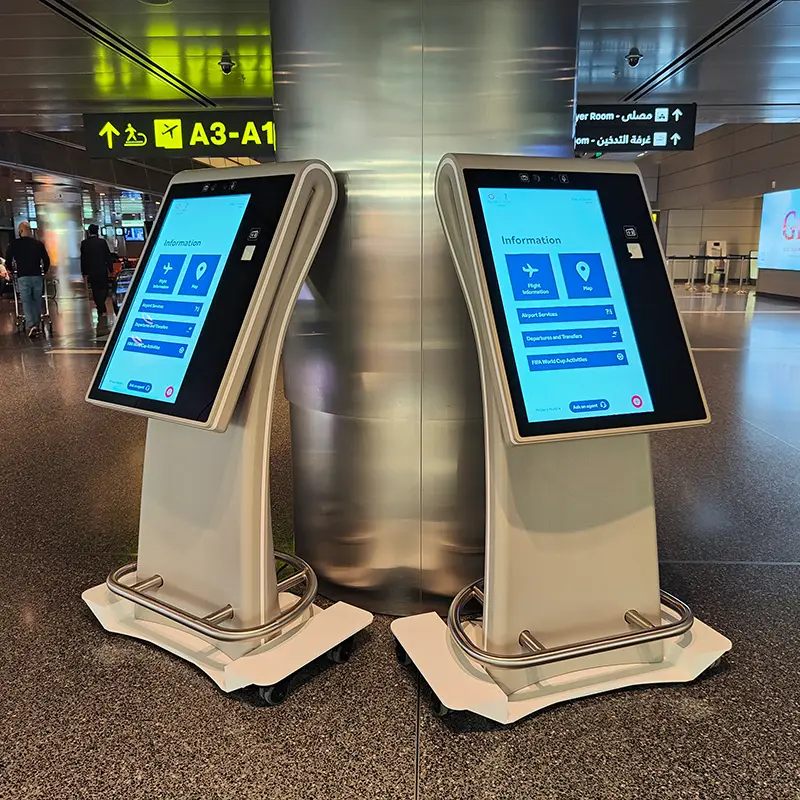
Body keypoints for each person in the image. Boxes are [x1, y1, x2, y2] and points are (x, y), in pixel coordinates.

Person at [6, 221, 50, 338]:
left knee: (26, 301)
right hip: (36, 275)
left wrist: (10, 269)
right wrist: (44, 270)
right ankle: (36, 322)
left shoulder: (14, 244)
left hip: (23, 276)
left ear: (20, 231)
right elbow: (46, 260)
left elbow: (8, 260)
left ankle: (32, 325)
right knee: (37, 300)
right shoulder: (38, 244)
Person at [81, 224, 113, 318]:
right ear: (97, 231)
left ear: (89, 232)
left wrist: (84, 271)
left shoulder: (84, 243)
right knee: (104, 288)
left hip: (92, 271)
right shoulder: (102, 242)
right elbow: (108, 256)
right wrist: (111, 268)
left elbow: (83, 258)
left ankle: (100, 306)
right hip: (102, 269)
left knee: (95, 289)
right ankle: (101, 305)